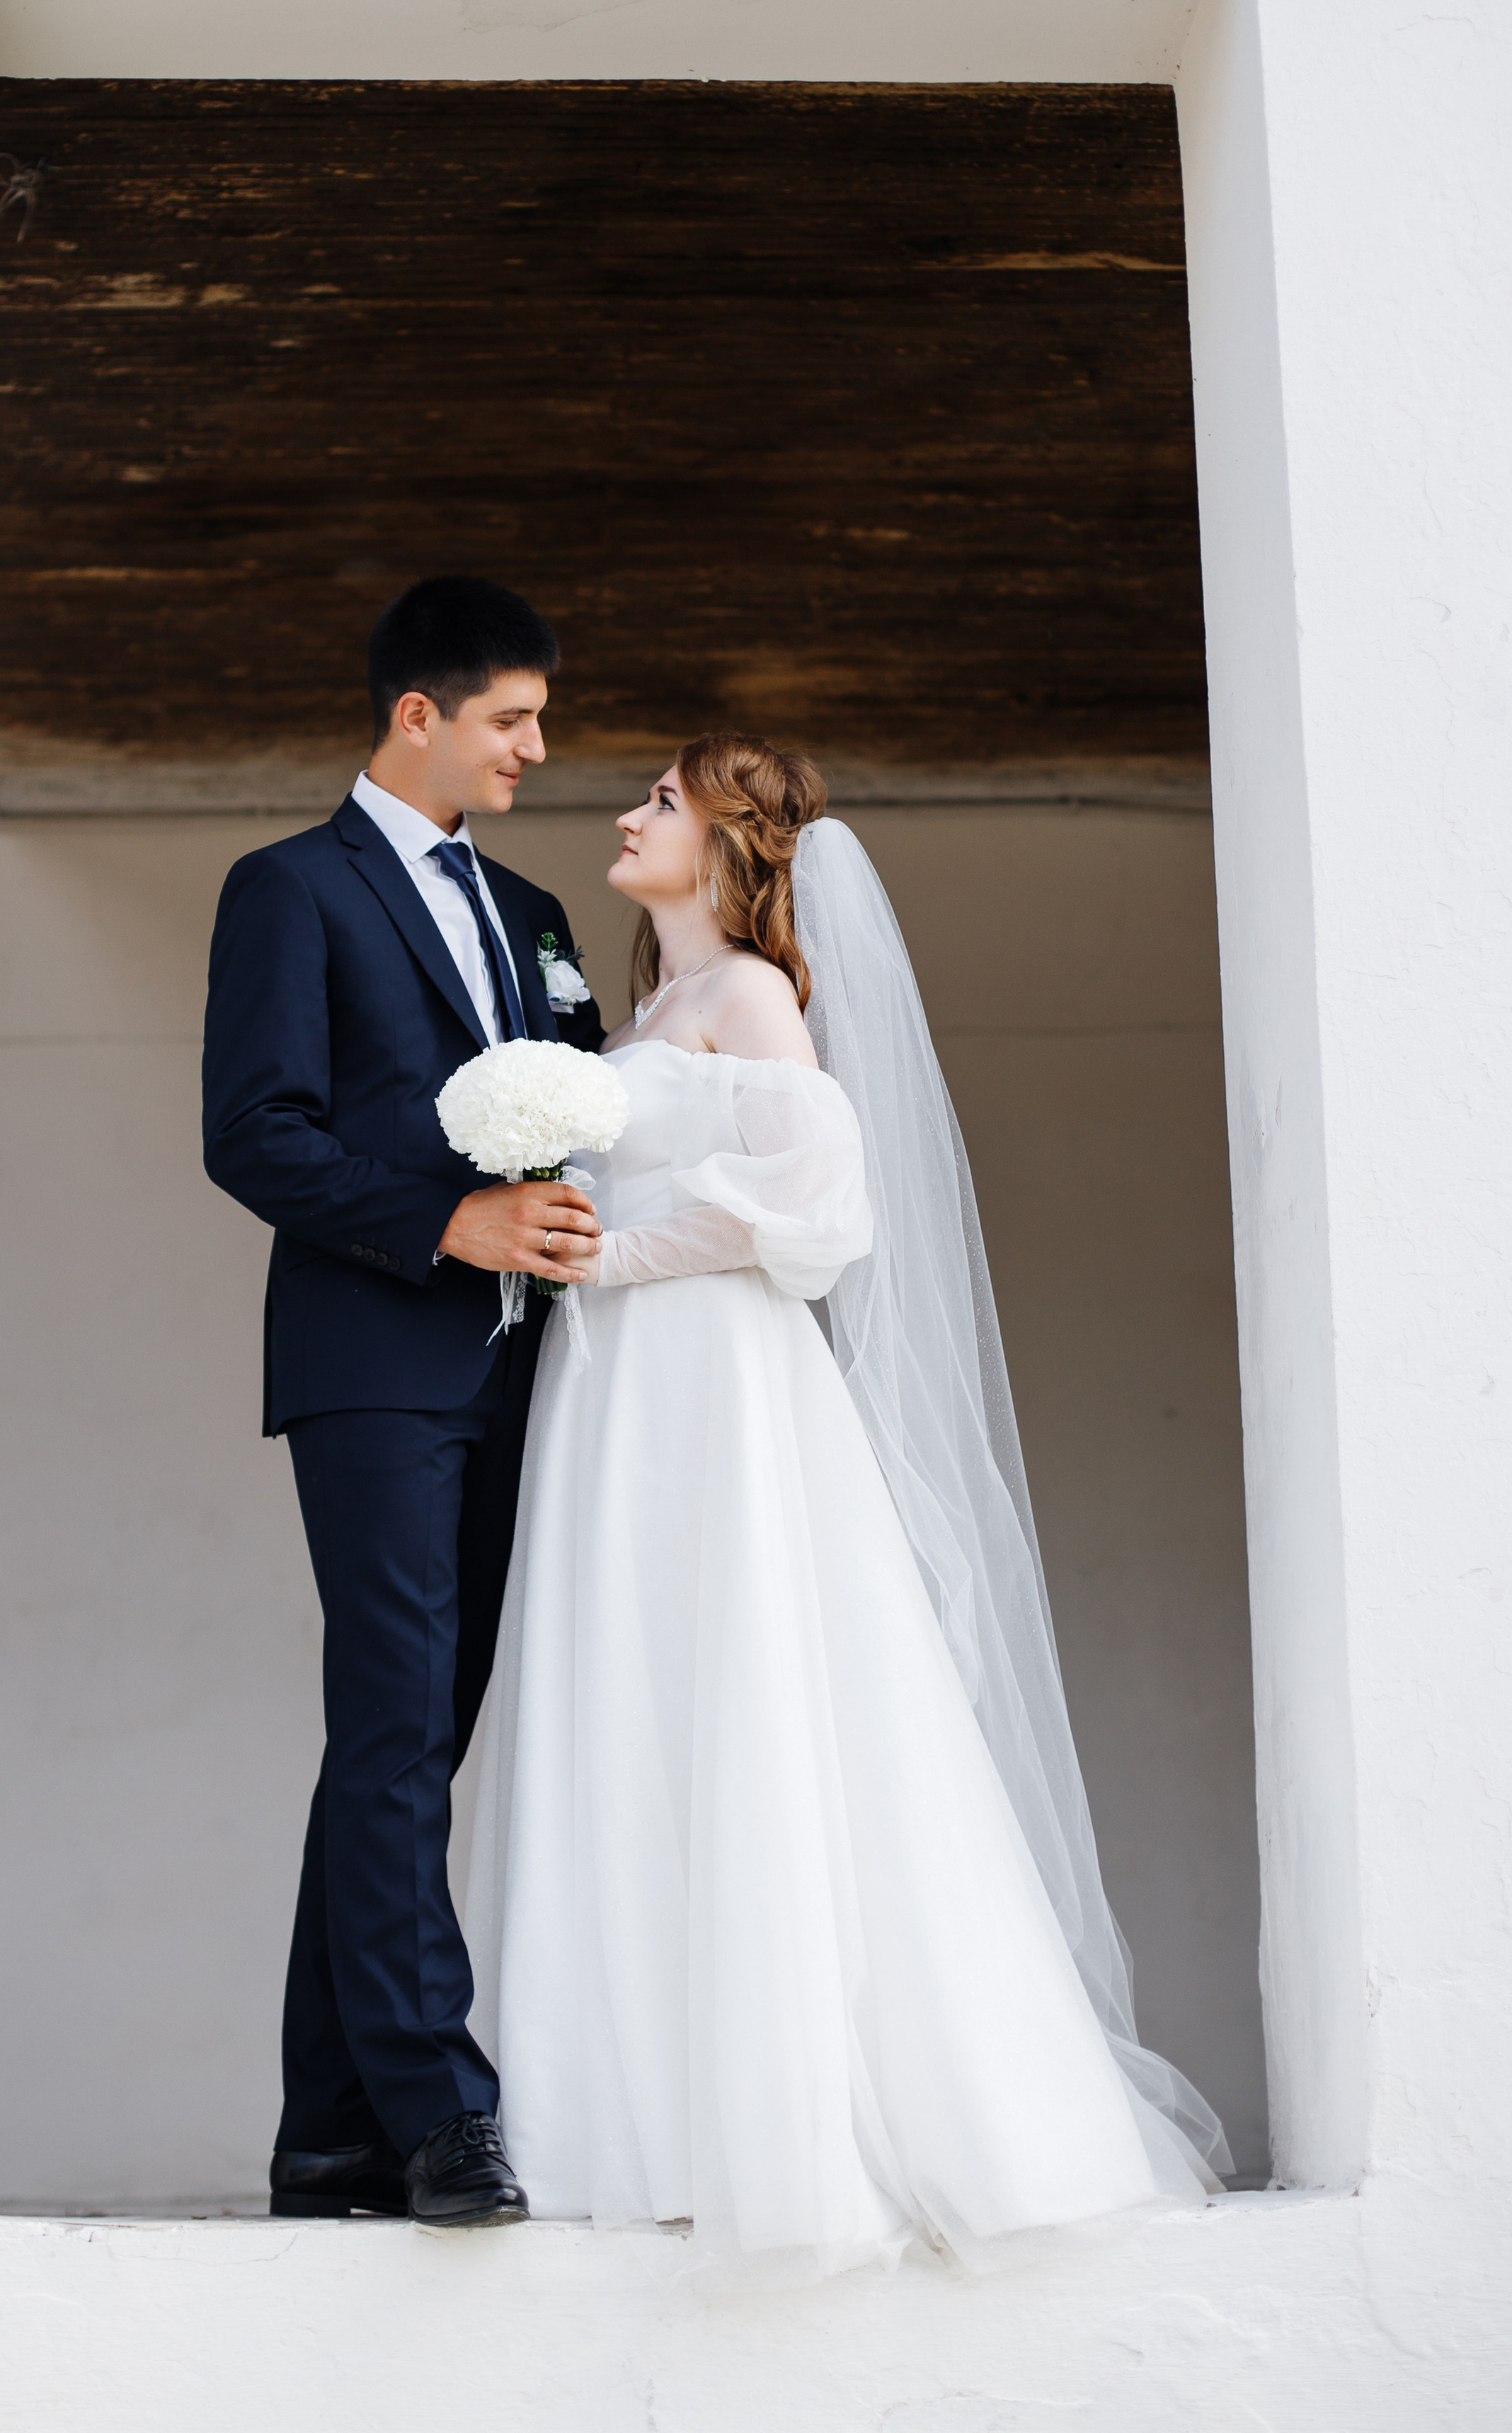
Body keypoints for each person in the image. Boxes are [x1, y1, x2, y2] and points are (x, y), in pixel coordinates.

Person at [465, 731, 1232, 2275]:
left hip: (714, 1390)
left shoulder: (751, 997)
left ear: (731, 844)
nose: (625, 817)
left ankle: (792, 2118)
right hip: (613, 1396)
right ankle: (638, 2114)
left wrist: (602, 1257)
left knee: (749, 1698)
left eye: (659, 804)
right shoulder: (650, 1012)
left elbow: (813, 1215)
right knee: (630, 1704)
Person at [202, 576, 604, 2230]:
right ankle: (441, 2115)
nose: (533, 748)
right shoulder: (287, 890)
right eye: (510, 718)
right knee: (390, 1733)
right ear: (415, 715)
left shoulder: (533, 912)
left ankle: (327, 2134)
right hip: (373, 1364)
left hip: (521, 1369)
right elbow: (257, 1133)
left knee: (411, 1741)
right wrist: (449, 1219)